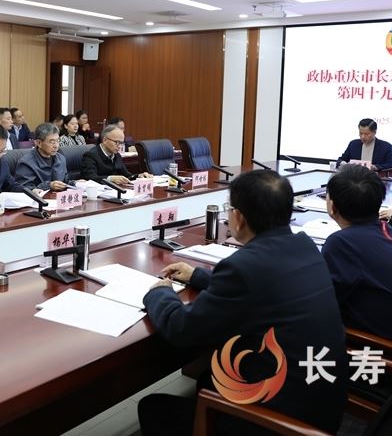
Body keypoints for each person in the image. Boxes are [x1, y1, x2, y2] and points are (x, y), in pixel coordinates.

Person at [139, 170, 347, 436]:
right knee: (207, 378)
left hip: (281, 422)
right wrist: (198, 276)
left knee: (154, 408)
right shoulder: (303, 246)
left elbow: (181, 329)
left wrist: (160, 293)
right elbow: (264, 286)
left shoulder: (243, 267)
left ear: (238, 217)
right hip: (321, 405)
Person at [322, 164, 392, 344]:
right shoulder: (388, 230)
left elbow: (324, 303)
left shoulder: (341, 243)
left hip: (382, 348)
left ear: (332, 206)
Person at [80, 124, 151, 186]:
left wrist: (139, 176)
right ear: (104, 140)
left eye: (121, 143)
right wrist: (111, 179)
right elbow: (91, 178)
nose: (119, 146)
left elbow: (126, 175)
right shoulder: (91, 155)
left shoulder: (116, 155)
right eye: (116, 142)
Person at [15, 123, 71, 191]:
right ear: (39, 143)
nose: (56, 146)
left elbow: (65, 181)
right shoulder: (26, 163)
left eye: (57, 141)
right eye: (52, 142)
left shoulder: (61, 158)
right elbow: (25, 189)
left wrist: (75, 183)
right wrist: (49, 186)